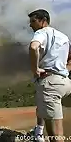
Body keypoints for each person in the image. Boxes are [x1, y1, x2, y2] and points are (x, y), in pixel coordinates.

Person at [28, 9, 71, 142]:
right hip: (65, 83)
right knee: (42, 108)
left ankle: (39, 134)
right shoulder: (64, 36)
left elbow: (33, 47)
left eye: (33, 21)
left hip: (50, 84)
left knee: (55, 135)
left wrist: (35, 69)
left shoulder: (41, 32)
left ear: (43, 21)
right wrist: (64, 71)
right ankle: (38, 132)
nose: (30, 25)